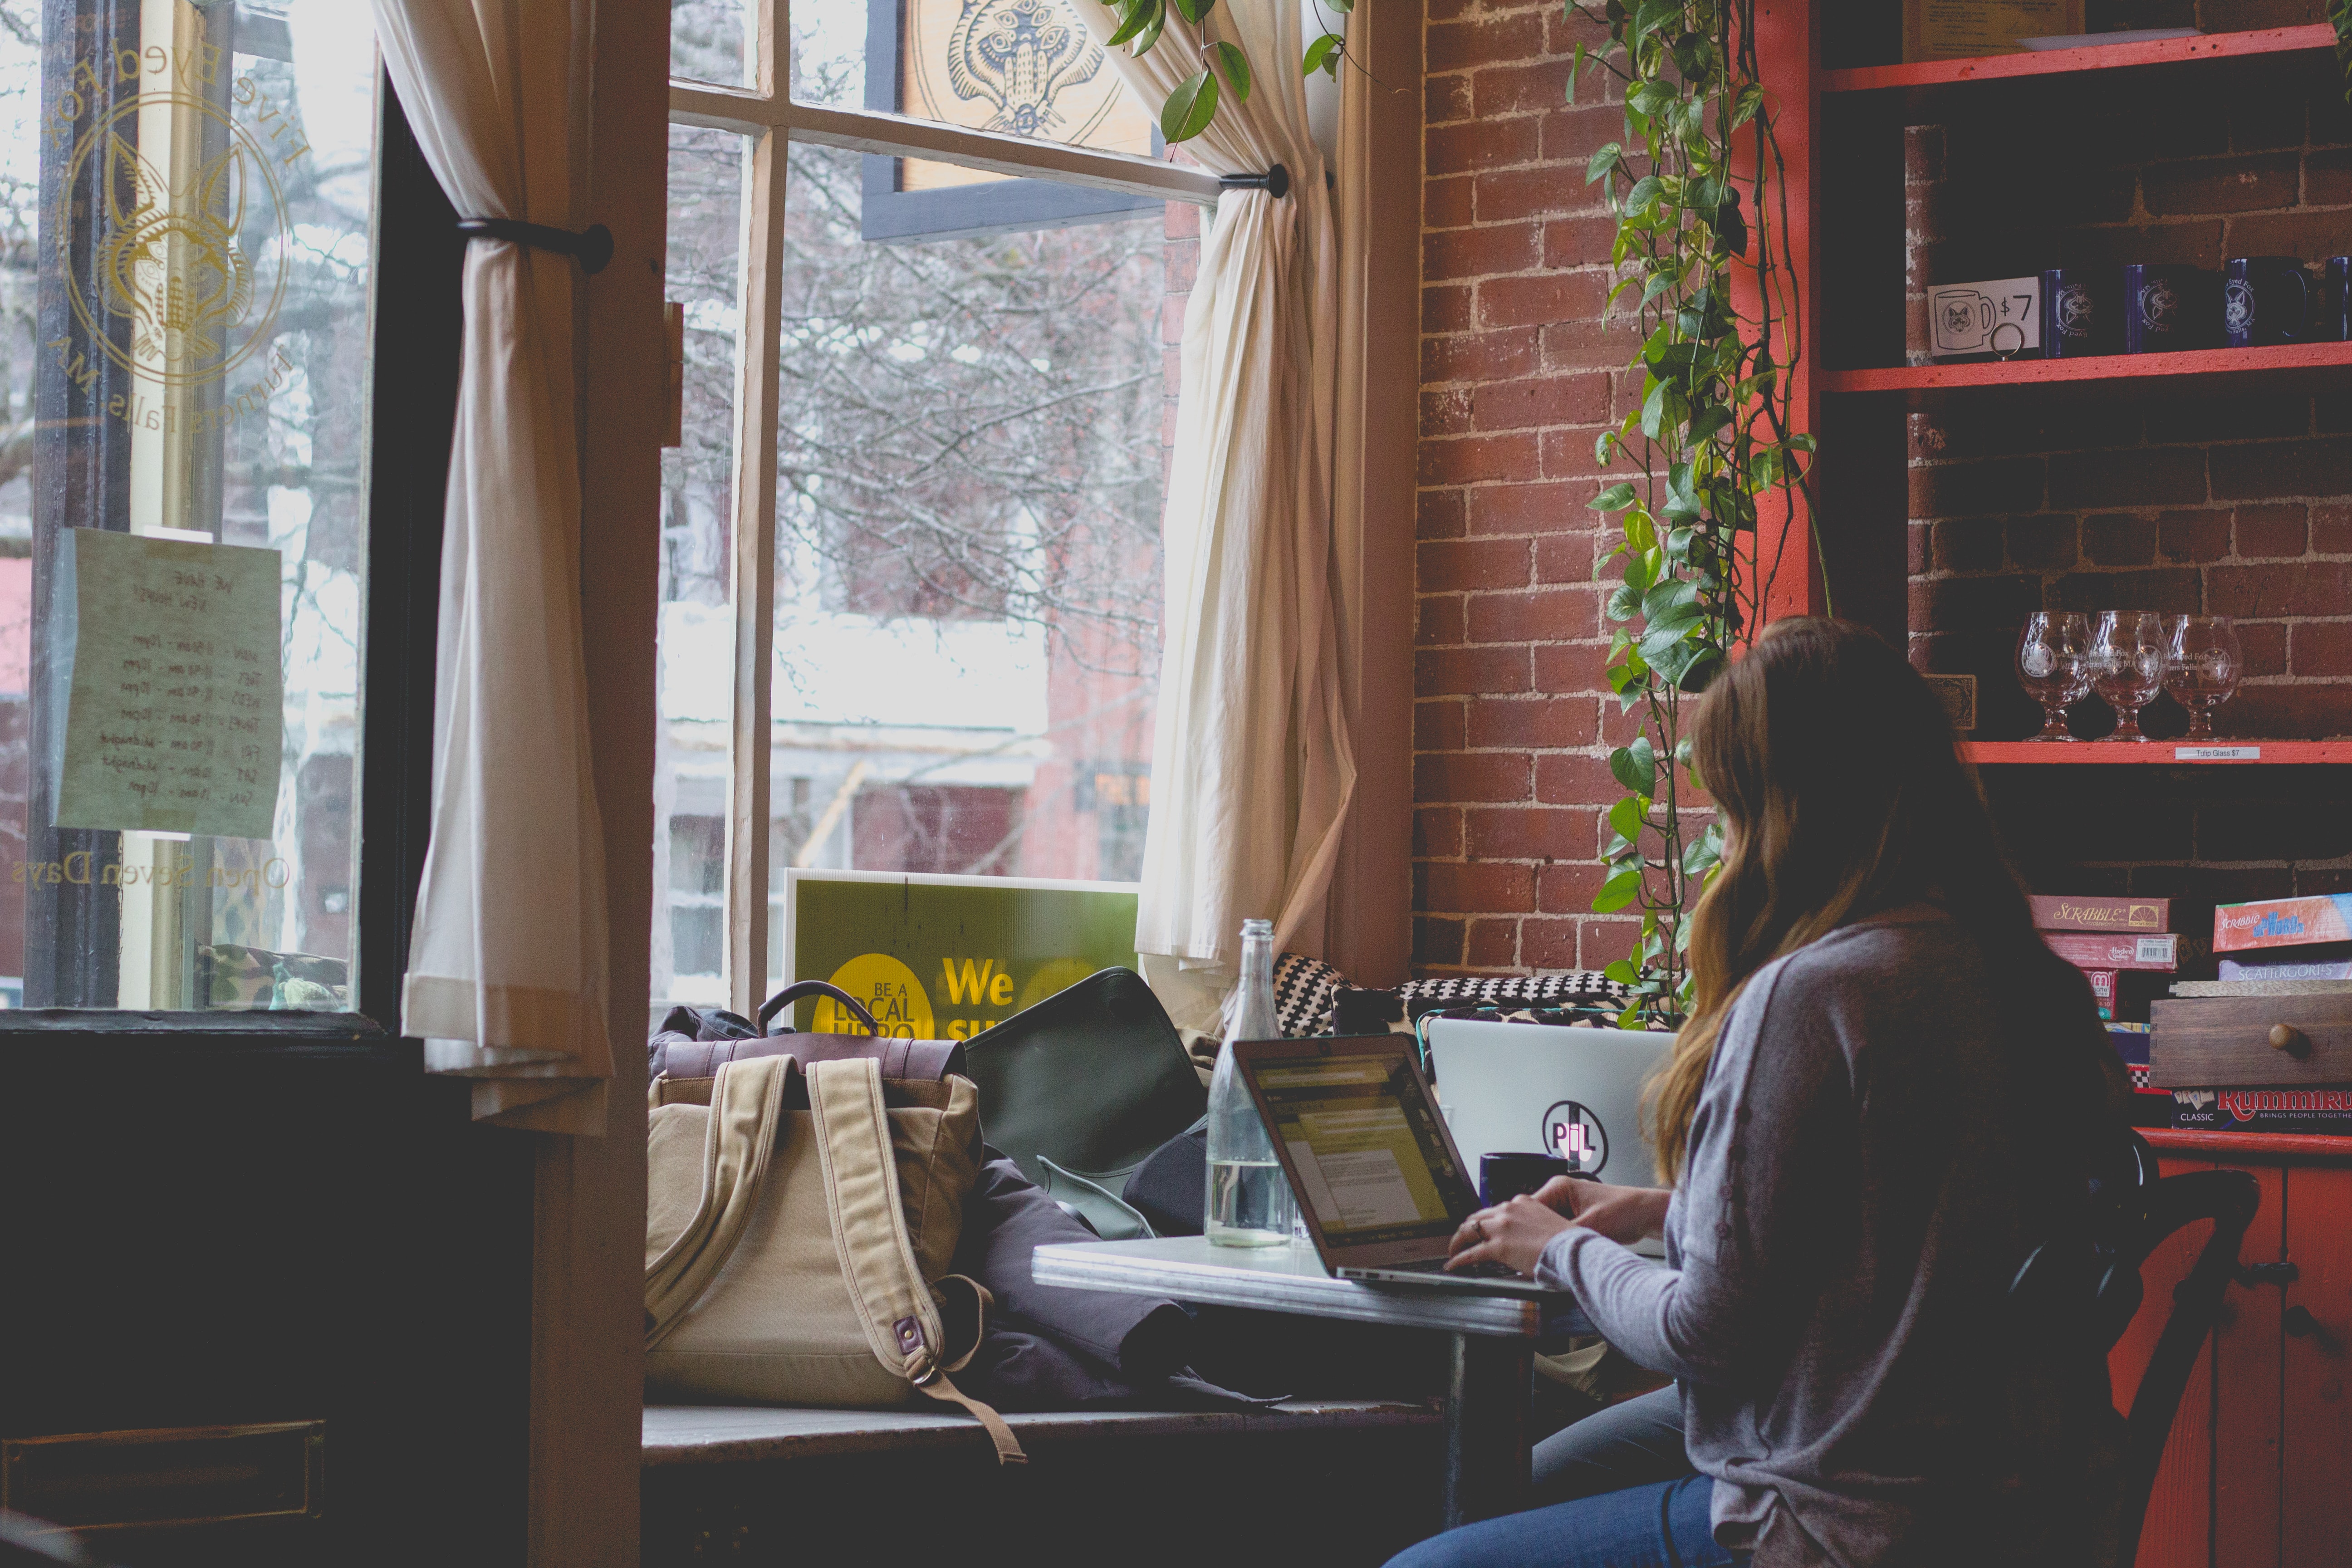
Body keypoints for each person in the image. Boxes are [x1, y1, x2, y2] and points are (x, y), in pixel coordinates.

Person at [1388, 618, 2131, 1568]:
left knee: (1427, 1561)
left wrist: (1558, 1250)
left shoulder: (1817, 994)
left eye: (1729, 801)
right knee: (1512, 1489)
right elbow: (1914, 1222)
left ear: (1782, 810)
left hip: (1847, 1513)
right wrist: (1658, 1211)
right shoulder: (2021, 977)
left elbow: (1702, 1334)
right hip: (2016, 1493)